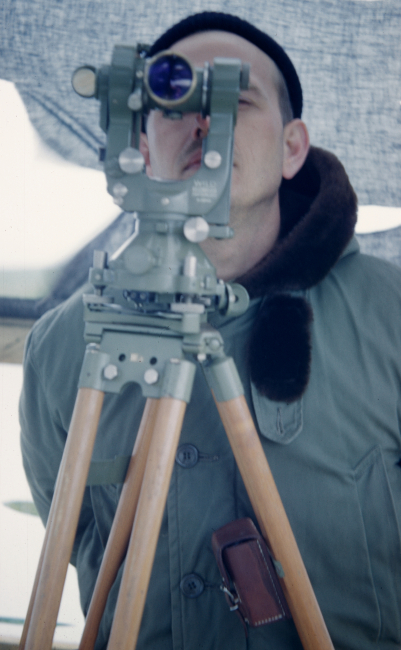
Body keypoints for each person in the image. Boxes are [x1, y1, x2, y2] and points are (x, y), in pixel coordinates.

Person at [19, 11, 401, 650]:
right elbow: (79, 543)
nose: (203, 117)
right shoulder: (65, 346)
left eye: (234, 96)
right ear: (140, 147)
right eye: (173, 99)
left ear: (291, 148)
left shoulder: (388, 316)